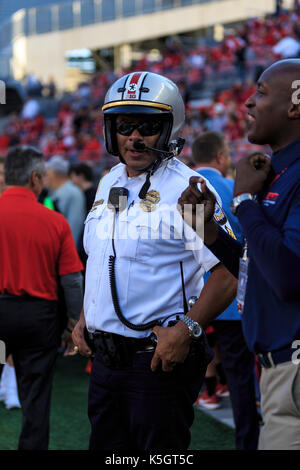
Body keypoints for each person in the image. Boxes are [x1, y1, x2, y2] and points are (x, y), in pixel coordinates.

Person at [71, 71, 237, 451]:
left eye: (147, 125)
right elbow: (105, 257)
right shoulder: (109, 180)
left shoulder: (189, 188)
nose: (134, 136)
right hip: (105, 360)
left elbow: (227, 273)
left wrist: (188, 330)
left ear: (169, 128)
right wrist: (86, 316)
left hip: (157, 360)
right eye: (124, 124)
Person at [178, 59, 300, 450]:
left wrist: (245, 201)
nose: (248, 102)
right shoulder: (277, 170)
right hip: (278, 367)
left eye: (262, 92)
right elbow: (257, 269)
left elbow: (288, 275)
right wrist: (209, 230)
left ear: (296, 105)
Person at [0, 146, 84, 450]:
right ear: (35, 178)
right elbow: (72, 281)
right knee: (36, 402)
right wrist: (73, 324)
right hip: (39, 318)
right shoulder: (55, 221)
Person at [192, 131, 259, 450]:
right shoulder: (234, 188)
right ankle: (246, 440)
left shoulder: (183, 189)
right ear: (220, 157)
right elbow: (249, 245)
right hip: (231, 298)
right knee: (240, 376)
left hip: (191, 299)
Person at [46, 155, 86, 248]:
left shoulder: (73, 192)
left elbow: (74, 226)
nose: (46, 175)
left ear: (53, 173)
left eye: (48, 171)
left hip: (65, 251)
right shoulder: (54, 192)